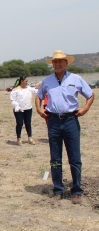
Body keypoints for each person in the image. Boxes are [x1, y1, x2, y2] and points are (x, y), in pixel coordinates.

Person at [35, 50, 94, 205]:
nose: (58, 64)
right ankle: (58, 190)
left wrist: (85, 108)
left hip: (70, 120)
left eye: (61, 61)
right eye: (55, 61)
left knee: (74, 157)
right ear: (52, 64)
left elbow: (90, 95)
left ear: (66, 63)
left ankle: (76, 191)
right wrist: (39, 110)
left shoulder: (76, 79)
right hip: (53, 121)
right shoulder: (47, 81)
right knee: (55, 157)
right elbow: (39, 96)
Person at [10, 76, 41, 145]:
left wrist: (40, 85)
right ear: (22, 81)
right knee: (20, 123)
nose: (27, 83)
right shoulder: (15, 90)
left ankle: (30, 138)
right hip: (19, 110)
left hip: (28, 109)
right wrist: (17, 107)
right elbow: (12, 100)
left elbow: (37, 91)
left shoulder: (28, 88)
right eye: (26, 81)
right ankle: (19, 138)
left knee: (28, 123)